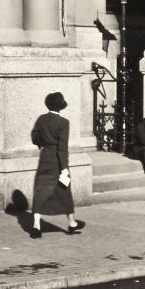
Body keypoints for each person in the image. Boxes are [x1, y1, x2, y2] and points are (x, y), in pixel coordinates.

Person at [29, 92, 84, 237]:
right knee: (64, 190)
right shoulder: (63, 122)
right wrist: (64, 168)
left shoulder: (41, 119)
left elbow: (35, 137)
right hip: (57, 161)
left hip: (45, 157)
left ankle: (36, 224)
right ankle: (72, 222)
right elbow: (62, 147)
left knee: (40, 190)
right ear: (61, 107)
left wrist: (42, 144)